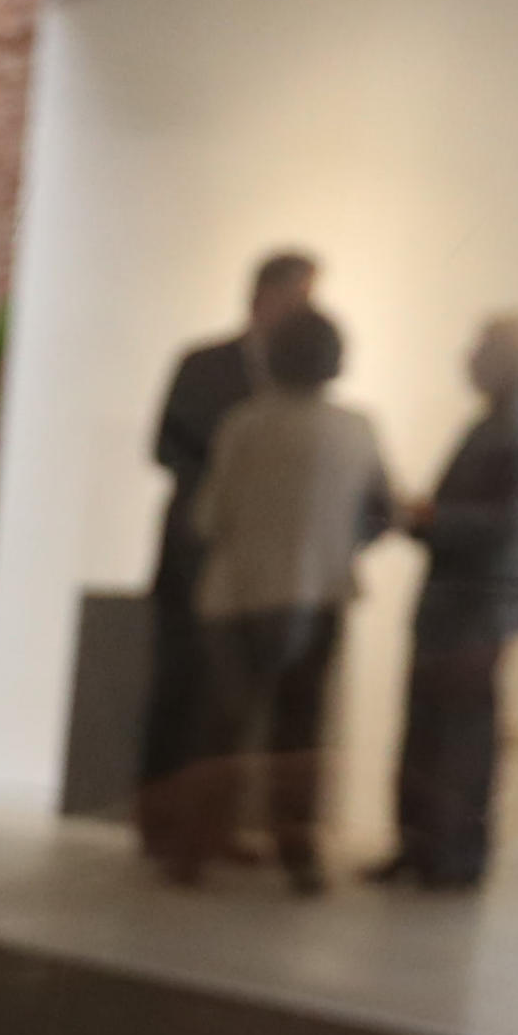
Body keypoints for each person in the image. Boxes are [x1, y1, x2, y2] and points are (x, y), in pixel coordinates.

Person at [153, 308, 388, 891]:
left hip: (238, 598)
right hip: (319, 595)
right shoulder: (356, 429)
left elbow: (209, 518)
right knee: (300, 733)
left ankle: (194, 848)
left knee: (223, 730)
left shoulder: (245, 425)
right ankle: (298, 853)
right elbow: (380, 512)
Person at [375, 313, 518, 892]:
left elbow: (509, 520)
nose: (472, 357)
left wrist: (433, 517)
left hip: (479, 605)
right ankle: (422, 848)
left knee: (460, 738)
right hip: (456, 600)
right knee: (429, 731)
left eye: (482, 346)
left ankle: (452, 856)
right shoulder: (496, 420)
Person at [141, 250, 318, 814]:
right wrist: (230, 481)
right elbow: (167, 446)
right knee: (181, 681)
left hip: (257, 561)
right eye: (298, 297)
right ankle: (162, 815)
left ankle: (214, 824)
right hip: (198, 545)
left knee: (234, 697)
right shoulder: (204, 365)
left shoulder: (299, 388)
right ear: (266, 296)